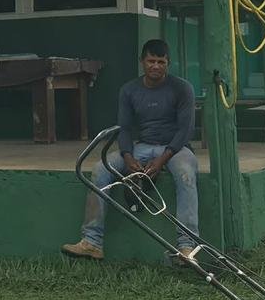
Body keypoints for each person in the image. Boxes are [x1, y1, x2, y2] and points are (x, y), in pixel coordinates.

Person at [62, 39, 199, 264]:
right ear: (142, 62)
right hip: (142, 145)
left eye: (161, 62)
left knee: (185, 173)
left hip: (175, 148)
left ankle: (186, 247)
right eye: (151, 61)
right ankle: (92, 242)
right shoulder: (129, 90)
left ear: (168, 63)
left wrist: (162, 160)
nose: (156, 66)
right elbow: (124, 128)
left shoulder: (182, 88)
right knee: (100, 168)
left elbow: (185, 130)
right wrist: (128, 156)